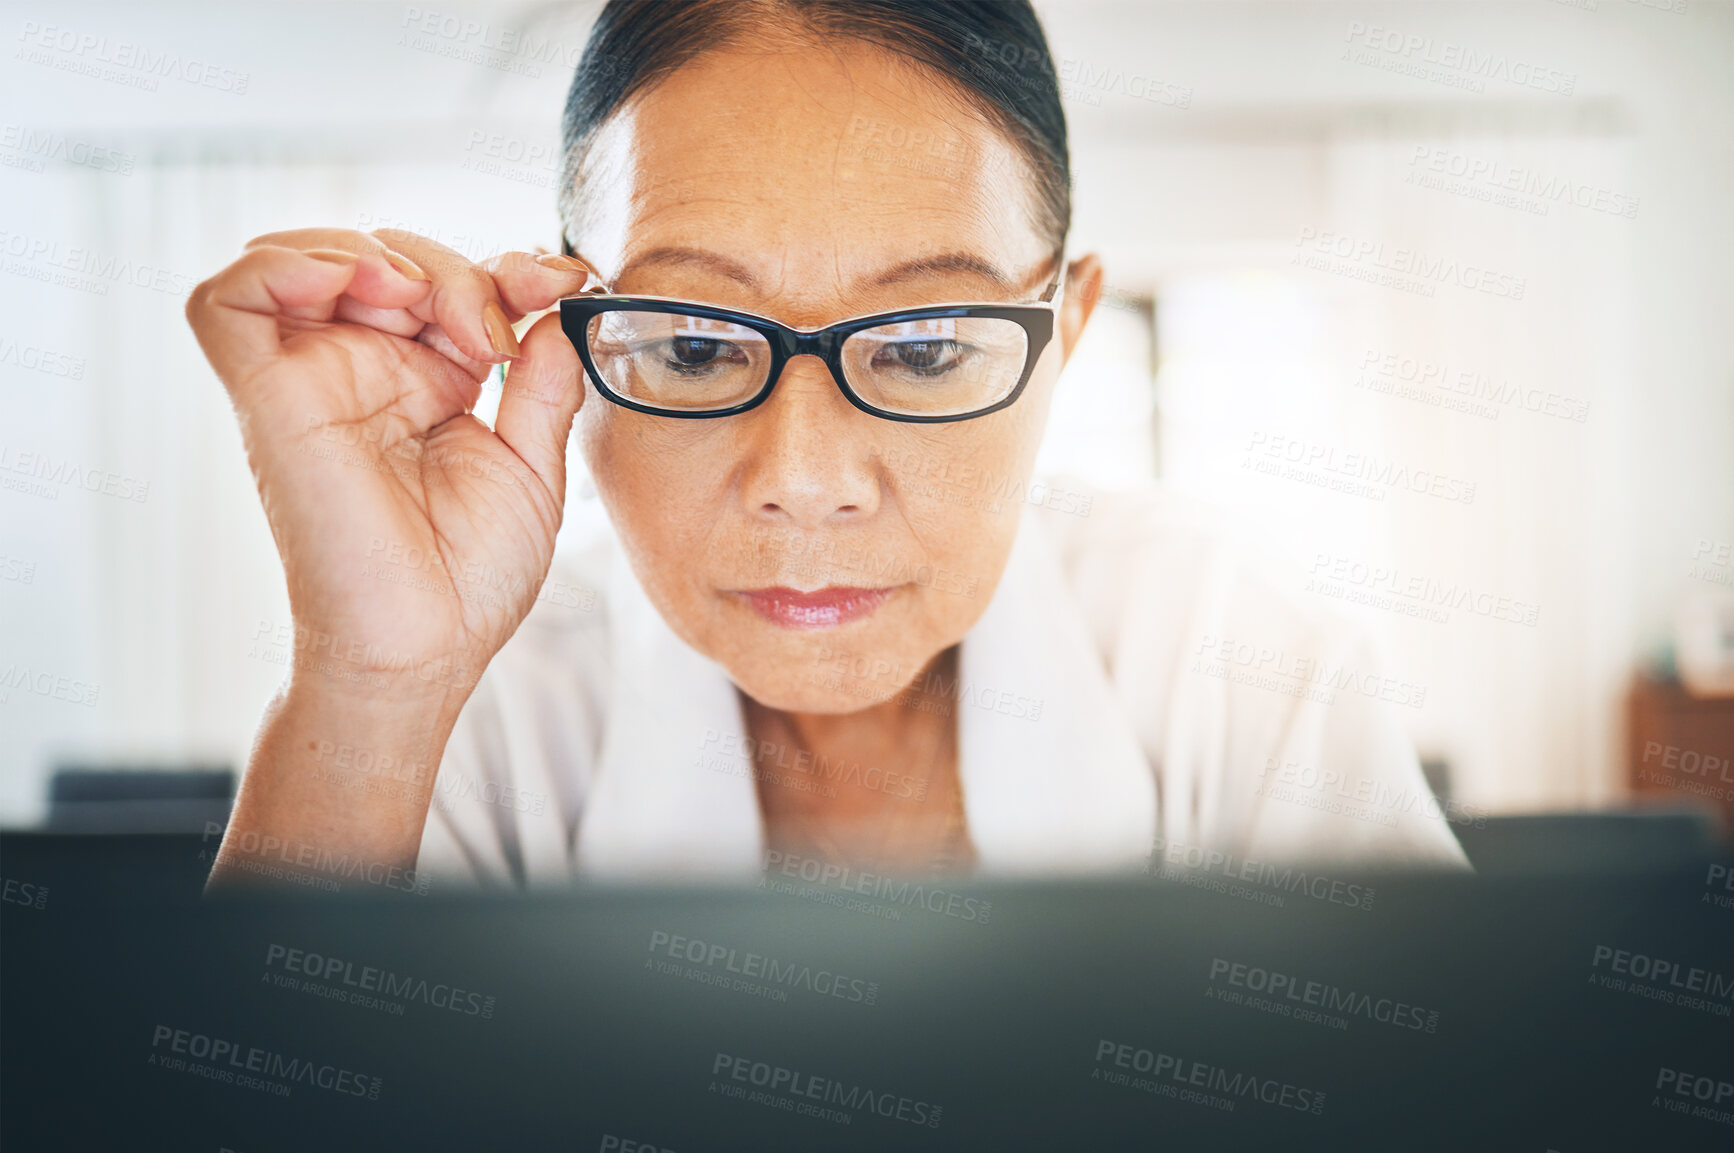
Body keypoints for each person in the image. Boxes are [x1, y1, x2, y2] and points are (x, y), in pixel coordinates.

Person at [185, 0, 1466, 893]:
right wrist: (372, 681)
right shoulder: (475, 715)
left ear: (1062, 332)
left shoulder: (1232, 662)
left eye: (920, 349)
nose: (804, 480)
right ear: (563, 337)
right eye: (693, 345)